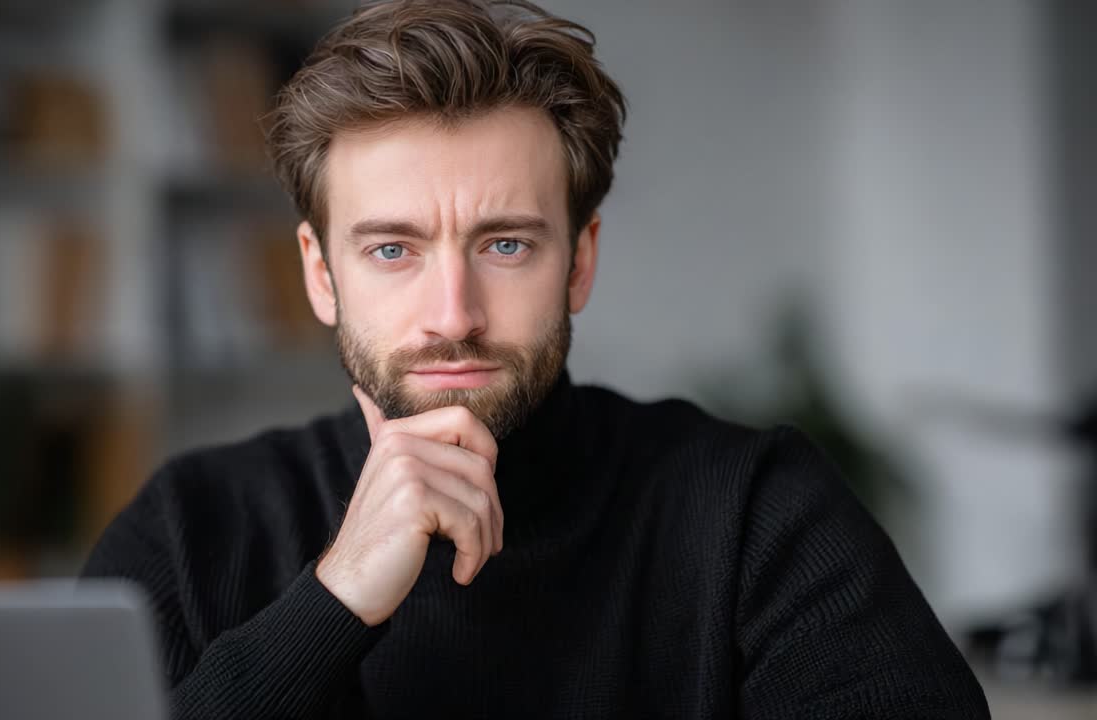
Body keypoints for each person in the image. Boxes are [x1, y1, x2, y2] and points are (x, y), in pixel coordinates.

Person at [82, 1, 991, 717]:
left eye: (506, 244)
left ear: (580, 261)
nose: (454, 316)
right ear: (321, 275)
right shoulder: (191, 529)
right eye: (392, 249)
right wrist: (332, 602)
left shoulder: (755, 511)